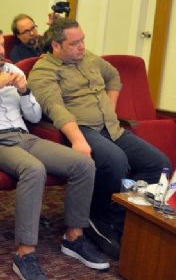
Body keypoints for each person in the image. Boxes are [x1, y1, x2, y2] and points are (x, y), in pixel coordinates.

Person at [0, 25, 108, 279]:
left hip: (25, 136)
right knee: (34, 170)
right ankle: (24, 253)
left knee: (83, 164)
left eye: (1, 45)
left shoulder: (14, 70)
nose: (0, 51)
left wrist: (25, 92)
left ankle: (74, 237)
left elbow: (34, 116)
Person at [28, 17, 171, 259]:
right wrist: (77, 139)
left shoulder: (89, 58)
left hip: (112, 127)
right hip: (83, 129)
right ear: (56, 46)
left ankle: (117, 216)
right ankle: (95, 217)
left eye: (83, 40)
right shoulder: (43, 71)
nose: (82, 47)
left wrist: (110, 108)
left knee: (158, 164)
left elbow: (113, 76)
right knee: (115, 161)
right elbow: (55, 108)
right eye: (74, 43)